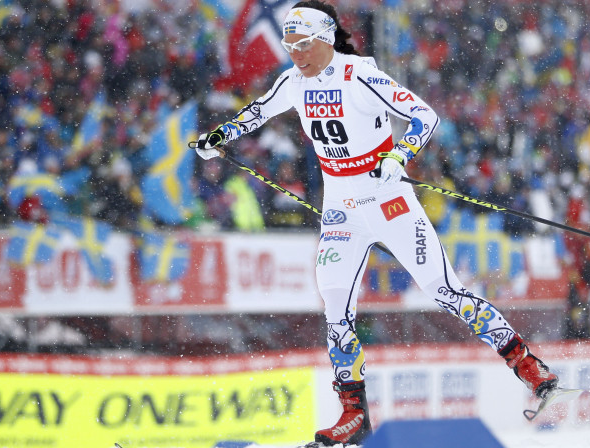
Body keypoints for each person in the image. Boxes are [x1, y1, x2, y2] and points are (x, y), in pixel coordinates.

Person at [195, 1, 559, 445]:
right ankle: (353, 414)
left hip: (389, 202)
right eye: (290, 44)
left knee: (445, 292)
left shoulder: (358, 74)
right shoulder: (292, 81)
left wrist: (398, 155)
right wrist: (220, 137)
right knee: (335, 308)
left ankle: (526, 363)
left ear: (325, 39)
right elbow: (257, 111)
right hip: (341, 210)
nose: (296, 53)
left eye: (304, 43)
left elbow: (425, 116)